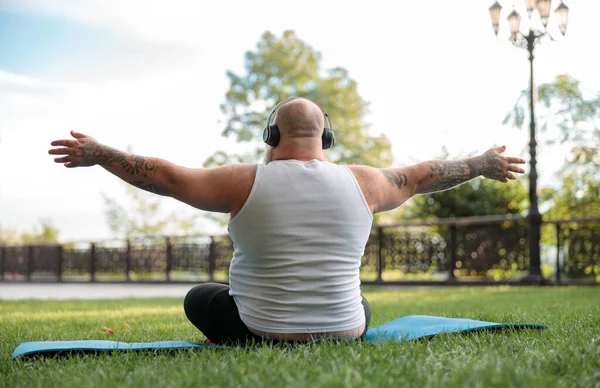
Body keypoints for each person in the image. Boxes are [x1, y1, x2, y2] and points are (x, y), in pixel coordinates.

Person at [48, 97, 526, 345]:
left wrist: (99, 154)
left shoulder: (244, 181)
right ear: (327, 138)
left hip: (257, 330)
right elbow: (426, 175)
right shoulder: (366, 182)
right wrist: (483, 164)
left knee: (199, 297)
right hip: (346, 331)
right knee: (356, 299)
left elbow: (166, 177)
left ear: (270, 135)